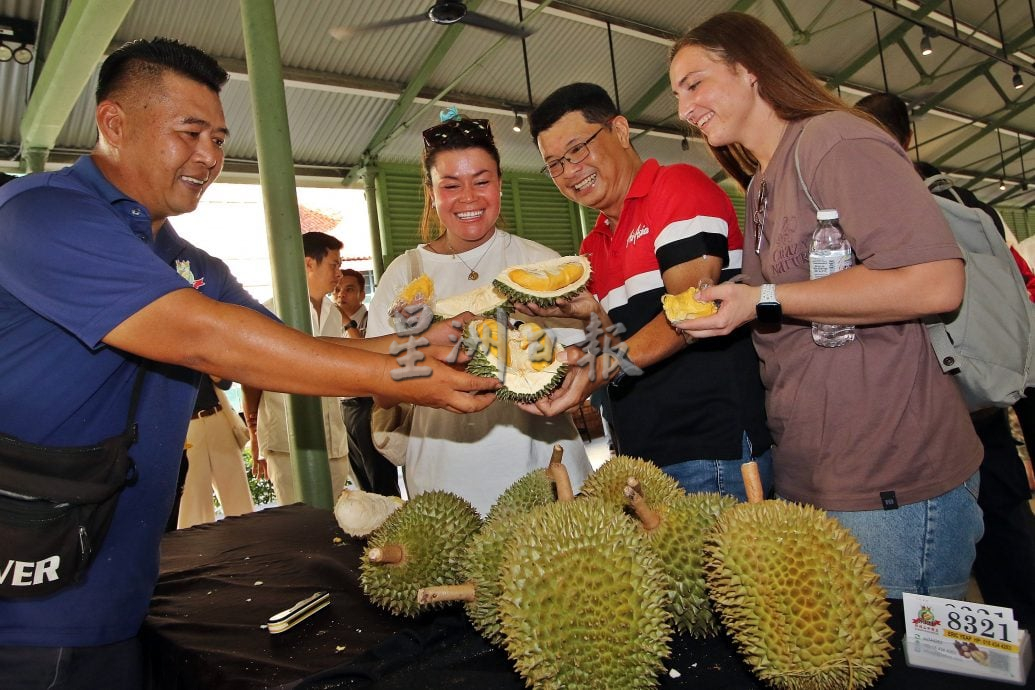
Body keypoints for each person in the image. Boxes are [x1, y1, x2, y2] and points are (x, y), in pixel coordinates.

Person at [0, 38, 496, 688]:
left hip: (118, 594)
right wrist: (400, 377)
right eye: (189, 132)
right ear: (114, 123)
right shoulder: (41, 215)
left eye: (219, 137)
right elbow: (205, 340)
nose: (209, 157)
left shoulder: (188, 262)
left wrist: (420, 347)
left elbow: (287, 348)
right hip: (30, 603)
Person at [667, 12, 982, 599]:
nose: (685, 107)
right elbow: (780, 311)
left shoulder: (836, 140)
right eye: (676, 94)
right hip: (815, 473)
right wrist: (733, 308)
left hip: (892, 478)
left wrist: (760, 297)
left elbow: (937, 282)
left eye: (695, 83)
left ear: (751, 69)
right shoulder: (761, 183)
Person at [524, 82, 773, 500]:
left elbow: (693, 310)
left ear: (620, 130)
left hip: (712, 449)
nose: (569, 171)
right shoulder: (593, 245)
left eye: (577, 150)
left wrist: (598, 369)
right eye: (554, 164)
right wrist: (586, 313)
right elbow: (623, 349)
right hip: (641, 456)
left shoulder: (677, 188)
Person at [857, 91, 1035, 624]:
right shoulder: (964, 201)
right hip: (977, 393)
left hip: (936, 407)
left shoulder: (906, 205)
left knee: (970, 551)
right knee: (1000, 539)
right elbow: (1012, 308)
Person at [366, 115, 592, 515]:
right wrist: (417, 344)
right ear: (432, 194)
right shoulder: (405, 275)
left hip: (546, 474)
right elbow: (382, 389)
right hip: (445, 485)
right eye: (450, 185)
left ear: (500, 185)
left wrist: (561, 369)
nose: (468, 198)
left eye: (482, 181)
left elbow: (587, 365)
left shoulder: (540, 265)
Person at [242, 232, 356, 505]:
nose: (339, 274)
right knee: (300, 526)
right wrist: (255, 436)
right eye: (334, 265)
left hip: (334, 442)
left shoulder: (333, 314)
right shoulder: (270, 313)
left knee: (335, 523)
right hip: (287, 445)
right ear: (308, 264)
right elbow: (250, 381)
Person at [334, 268, 400, 496]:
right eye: (337, 290)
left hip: (369, 405)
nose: (341, 295)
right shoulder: (334, 324)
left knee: (380, 476)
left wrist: (347, 324)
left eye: (349, 289)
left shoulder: (372, 320)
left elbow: (366, 356)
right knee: (361, 477)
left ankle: (393, 524)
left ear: (363, 294)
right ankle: (372, 529)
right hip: (346, 405)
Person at [176, 375, 254, 528]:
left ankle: (247, 541)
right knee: (192, 501)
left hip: (217, 418)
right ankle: (197, 549)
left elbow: (225, 383)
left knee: (237, 494)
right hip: (185, 428)